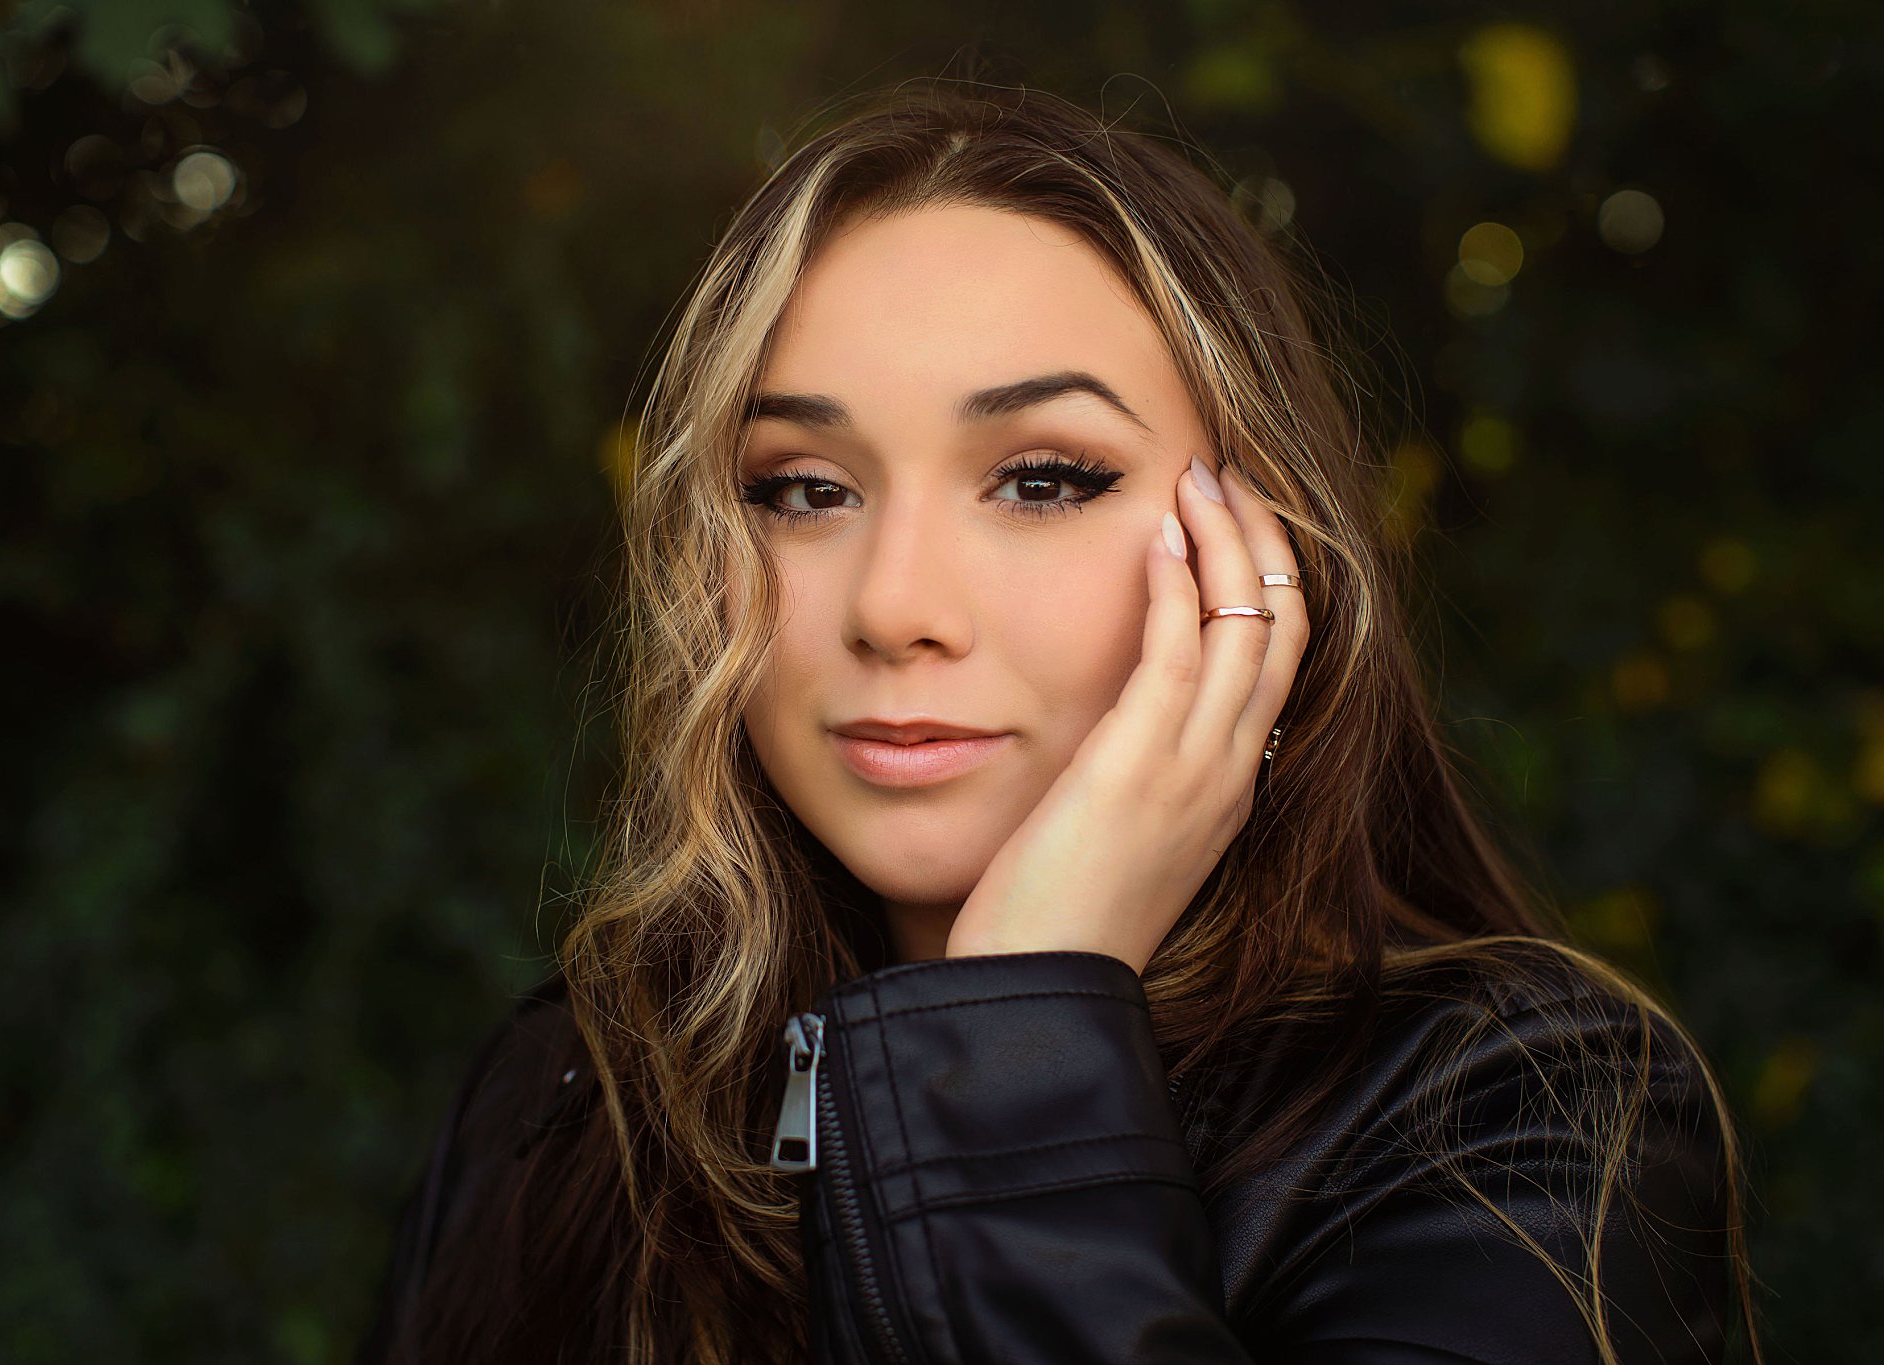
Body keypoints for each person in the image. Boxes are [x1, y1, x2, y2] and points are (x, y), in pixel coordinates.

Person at [353, 80, 1763, 1364]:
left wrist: (1016, 1031)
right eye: (803, 486)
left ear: (1261, 551)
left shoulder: (1514, 1120)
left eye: (1041, 477)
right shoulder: (567, 1098)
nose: (896, 606)